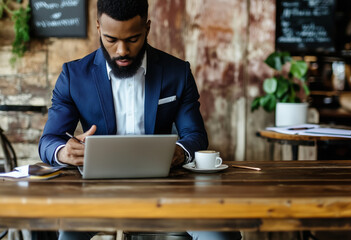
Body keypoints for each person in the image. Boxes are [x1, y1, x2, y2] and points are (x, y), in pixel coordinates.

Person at [38, 0, 241, 239]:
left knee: (220, 234)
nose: (122, 50)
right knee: (64, 234)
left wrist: (179, 151)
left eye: (132, 39)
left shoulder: (177, 72)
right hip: (95, 193)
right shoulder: (73, 76)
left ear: (147, 28)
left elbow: (196, 136)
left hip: (167, 190)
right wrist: (63, 152)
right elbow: (48, 141)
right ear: (98, 28)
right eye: (111, 39)